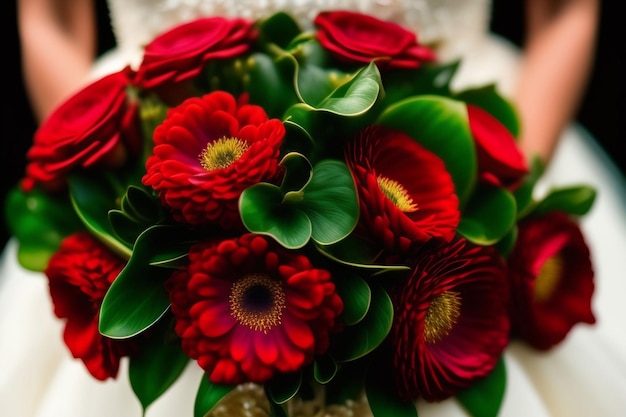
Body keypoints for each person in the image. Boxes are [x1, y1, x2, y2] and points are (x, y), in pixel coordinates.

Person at [2, 0, 625, 416]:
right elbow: (48, 19)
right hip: (161, 166)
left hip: (457, 167)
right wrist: (130, 184)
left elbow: (567, 10)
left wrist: (499, 196)